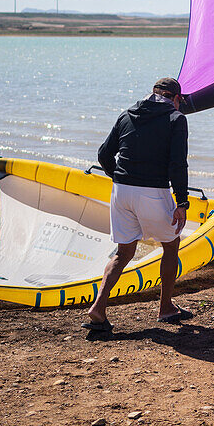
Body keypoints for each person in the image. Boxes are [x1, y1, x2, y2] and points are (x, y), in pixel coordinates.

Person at [84, 77, 191, 332]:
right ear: (175, 98)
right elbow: (178, 163)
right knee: (171, 244)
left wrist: (120, 178)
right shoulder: (176, 120)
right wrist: (182, 202)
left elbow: (103, 154)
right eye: (180, 102)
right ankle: (166, 308)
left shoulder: (126, 115)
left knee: (123, 252)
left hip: (121, 192)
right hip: (152, 191)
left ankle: (98, 308)